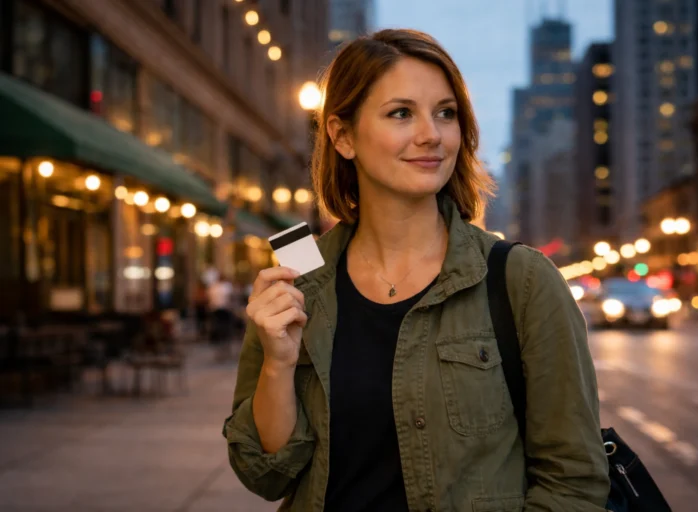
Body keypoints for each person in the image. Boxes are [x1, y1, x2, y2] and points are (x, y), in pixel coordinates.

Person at [223, 29, 609, 511]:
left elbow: (574, 481)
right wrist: (279, 365)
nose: (431, 134)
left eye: (445, 113)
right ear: (342, 136)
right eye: (401, 113)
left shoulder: (522, 281)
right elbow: (265, 475)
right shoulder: (300, 283)